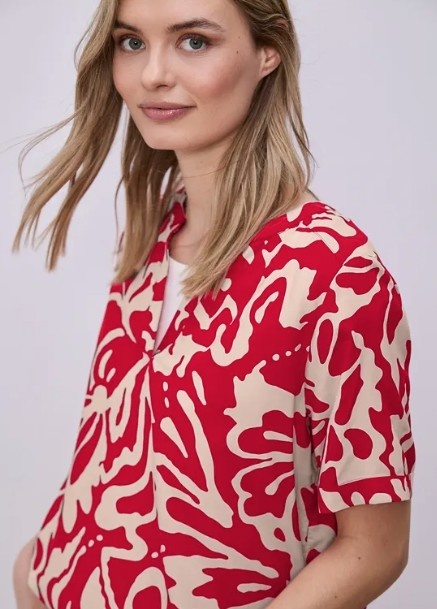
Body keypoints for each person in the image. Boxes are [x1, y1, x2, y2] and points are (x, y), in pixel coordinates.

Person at [12, 0, 415, 608]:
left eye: (194, 41)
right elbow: (119, 454)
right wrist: (36, 568)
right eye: (131, 42)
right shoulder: (152, 236)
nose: (152, 74)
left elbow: (376, 547)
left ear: (268, 52)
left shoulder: (335, 272)